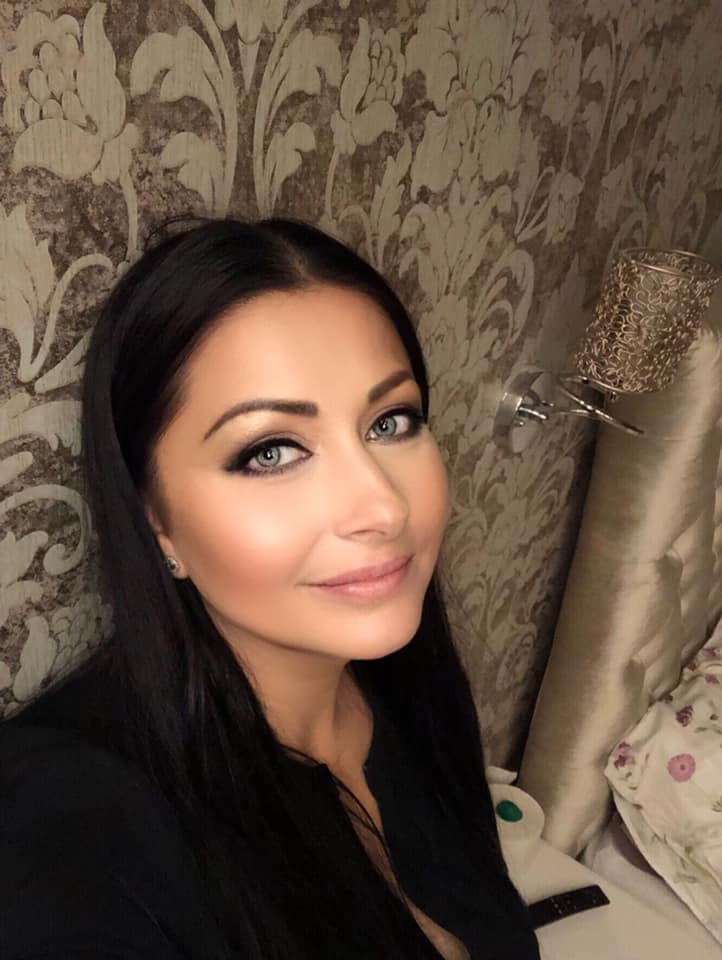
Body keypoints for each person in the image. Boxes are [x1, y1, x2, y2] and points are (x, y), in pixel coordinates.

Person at [0, 218, 540, 959]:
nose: (384, 508)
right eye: (272, 452)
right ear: (155, 520)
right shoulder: (72, 831)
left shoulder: (405, 677)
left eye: (391, 422)